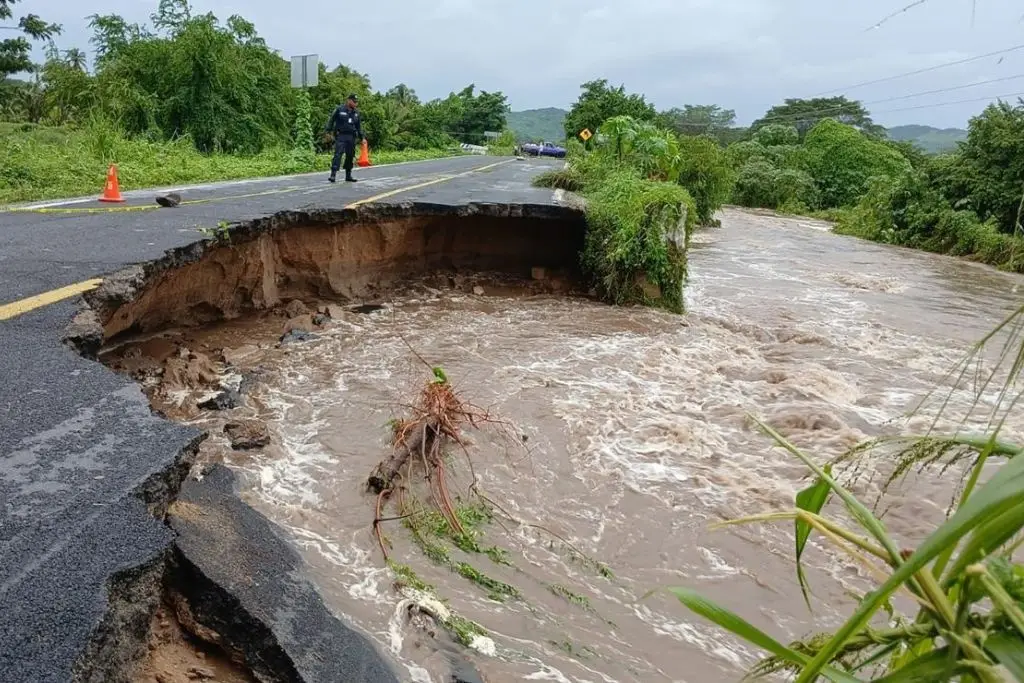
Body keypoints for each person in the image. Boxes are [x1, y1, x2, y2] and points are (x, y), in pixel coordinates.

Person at [325, 94, 364, 183]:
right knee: (338, 154)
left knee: (350, 156)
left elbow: (359, 127)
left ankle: (348, 175)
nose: (355, 104)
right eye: (354, 102)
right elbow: (331, 120)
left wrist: (362, 138)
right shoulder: (340, 109)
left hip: (351, 137)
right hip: (341, 135)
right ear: (348, 100)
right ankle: (333, 174)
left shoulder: (356, 113)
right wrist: (328, 131)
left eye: (356, 102)